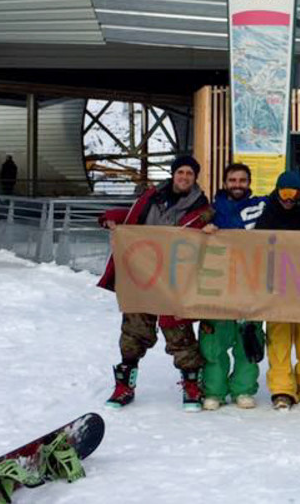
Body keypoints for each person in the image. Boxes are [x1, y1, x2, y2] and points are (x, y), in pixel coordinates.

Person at [198, 161, 300, 410]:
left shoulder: (261, 205)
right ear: (225, 183)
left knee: (247, 337)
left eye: (242, 180)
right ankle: (214, 390)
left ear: (249, 183)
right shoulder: (212, 207)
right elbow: (188, 227)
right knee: (216, 339)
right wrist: (202, 229)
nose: (237, 185)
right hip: (220, 280)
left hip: (252, 281)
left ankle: (242, 388)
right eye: (233, 180)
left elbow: (286, 194)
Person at [99, 155, 213, 411]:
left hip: (175, 279)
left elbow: (209, 234)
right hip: (142, 274)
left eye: (189, 174)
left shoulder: (201, 208)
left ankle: (192, 383)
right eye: (180, 172)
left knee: (179, 332)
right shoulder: (152, 197)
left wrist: (210, 230)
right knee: (134, 331)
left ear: (195, 178)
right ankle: (124, 385)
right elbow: (132, 217)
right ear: (173, 174)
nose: (184, 177)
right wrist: (110, 217)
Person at [255, 169, 300, 410]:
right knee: (279, 337)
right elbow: (256, 244)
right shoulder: (269, 211)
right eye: (283, 193)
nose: (287, 199)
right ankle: (282, 387)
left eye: (292, 194)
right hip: (278, 285)